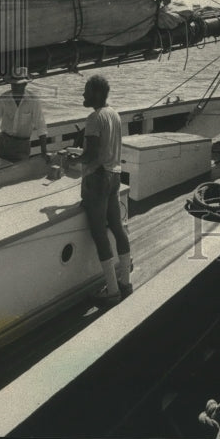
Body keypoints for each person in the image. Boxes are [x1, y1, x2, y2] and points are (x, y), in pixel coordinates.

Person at [80, 74, 132, 306]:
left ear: (97, 94)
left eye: (87, 91)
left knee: (99, 234)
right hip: (114, 176)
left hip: (98, 178)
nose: (83, 95)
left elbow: (90, 155)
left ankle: (111, 290)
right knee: (118, 229)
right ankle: (125, 283)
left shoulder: (94, 118)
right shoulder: (114, 114)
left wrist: (72, 159)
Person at [0, 67, 48, 162]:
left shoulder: (33, 101)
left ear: (25, 84)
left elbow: (41, 126)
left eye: (19, 85)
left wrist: (44, 152)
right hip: (4, 143)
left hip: (22, 146)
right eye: (13, 84)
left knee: (19, 173)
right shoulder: (3, 98)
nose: (15, 87)